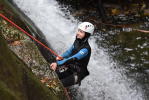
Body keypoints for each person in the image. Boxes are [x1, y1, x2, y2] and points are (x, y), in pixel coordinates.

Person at [50, 22, 94, 87]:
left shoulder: (86, 49)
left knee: (57, 85)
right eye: (78, 30)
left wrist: (58, 63)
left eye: (81, 32)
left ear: (87, 35)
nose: (78, 33)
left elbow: (73, 58)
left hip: (78, 73)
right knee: (51, 75)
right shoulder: (77, 41)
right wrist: (60, 57)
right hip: (70, 67)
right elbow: (69, 51)